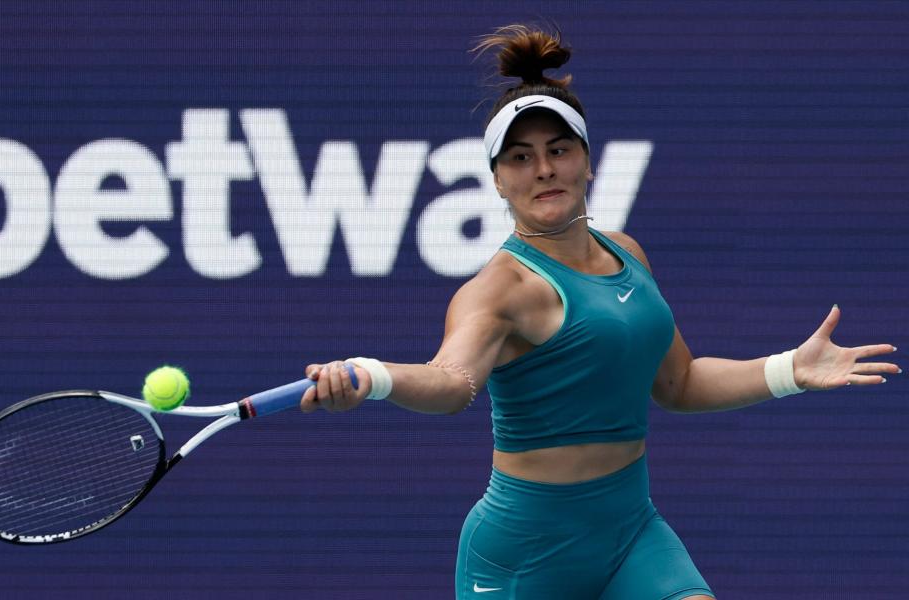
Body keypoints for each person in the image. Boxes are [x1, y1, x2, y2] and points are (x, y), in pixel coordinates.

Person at [299, 24, 901, 600]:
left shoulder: (628, 254)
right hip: (525, 553)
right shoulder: (500, 289)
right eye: (520, 158)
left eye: (558, 150)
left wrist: (789, 369)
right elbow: (450, 382)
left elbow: (679, 382)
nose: (543, 170)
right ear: (497, 181)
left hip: (631, 530)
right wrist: (374, 377)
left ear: (587, 162)